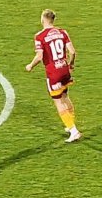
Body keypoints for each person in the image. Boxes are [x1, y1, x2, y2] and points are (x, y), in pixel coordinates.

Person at [24, 10, 81, 144]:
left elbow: (39, 56)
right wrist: (71, 64)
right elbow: (72, 52)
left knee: (58, 101)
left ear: (43, 19)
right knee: (65, 96)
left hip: (54, 74)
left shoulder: (40, 36)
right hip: (64, 69)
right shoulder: (62, 32)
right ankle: (70, 123)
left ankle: (74, 131)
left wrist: (30, 66)